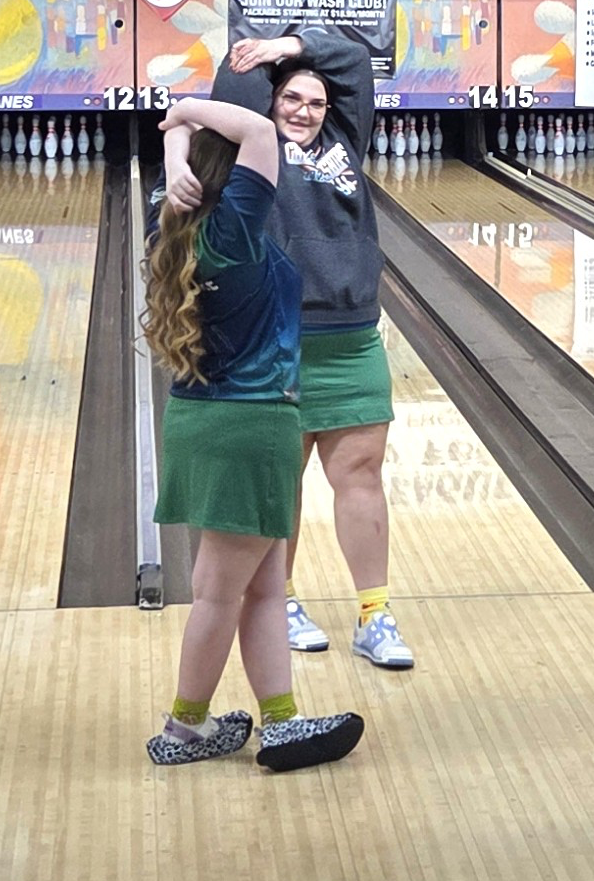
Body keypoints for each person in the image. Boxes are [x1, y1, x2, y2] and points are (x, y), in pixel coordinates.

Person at [142, 97, 364, 770]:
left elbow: (227, 145)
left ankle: (281, 722)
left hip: (201, 420)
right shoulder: (235, 228)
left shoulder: (178, 230)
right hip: (254, 422)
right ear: (235, 175)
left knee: (264, 585)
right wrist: (181, 108)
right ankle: (182, 729)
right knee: (218, 589)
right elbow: (262, 129)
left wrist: (176, 146)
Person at [185, 32, 413, 667]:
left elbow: (352, 60)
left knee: (361, 477)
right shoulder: (251, 148)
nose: (304, 110)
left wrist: (291, 43)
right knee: (280, 481)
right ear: (271, 102)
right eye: (291, 98)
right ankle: (279, 597)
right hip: (274, 341)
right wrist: (263, 57)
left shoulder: (345, 140)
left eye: (315, 102)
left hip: (351, 338)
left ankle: (375, 614)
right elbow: (234, 84)